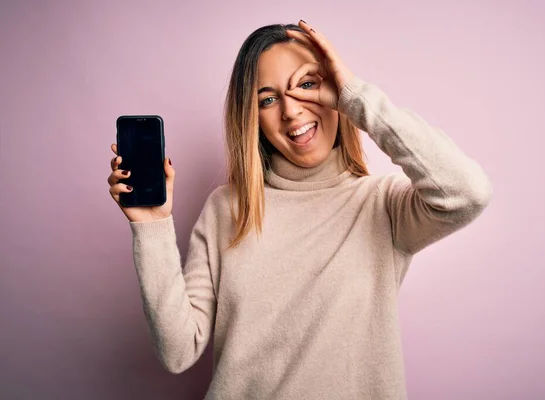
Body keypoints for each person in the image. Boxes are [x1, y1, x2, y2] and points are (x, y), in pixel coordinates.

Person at [107, 20, 492, 400]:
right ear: (252, 118)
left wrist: (354, 98)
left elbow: (466, 193)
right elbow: (177, 351)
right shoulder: (226, 208)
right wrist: (152, 229)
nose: (291, 111)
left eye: (307, 86)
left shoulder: (383, 205)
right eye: (268, 99)